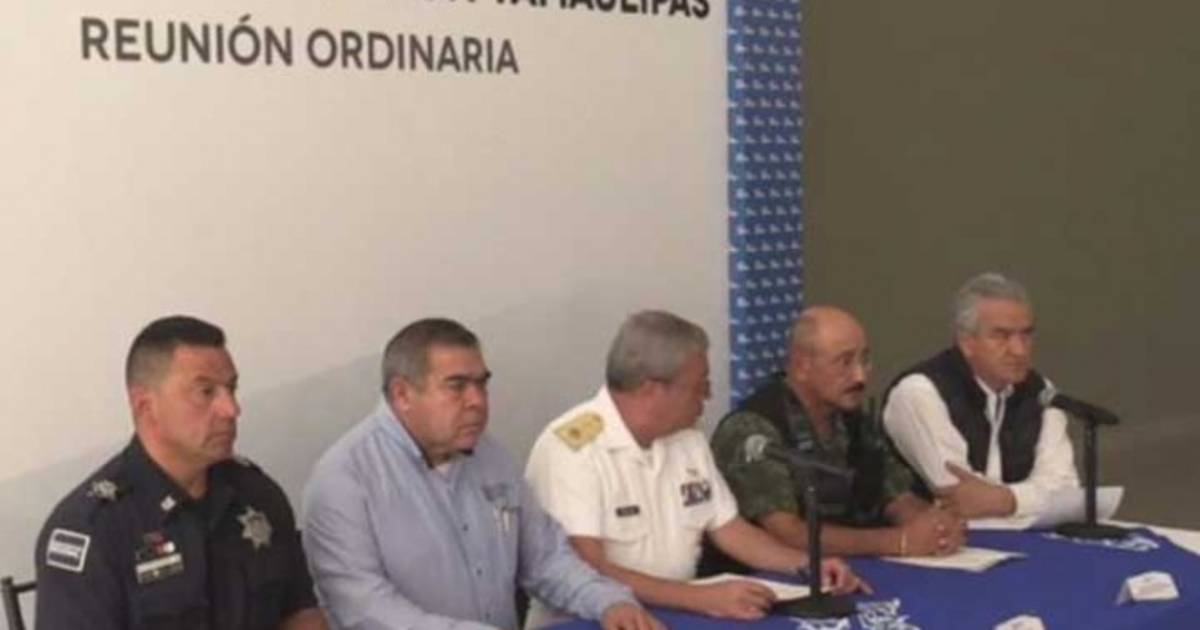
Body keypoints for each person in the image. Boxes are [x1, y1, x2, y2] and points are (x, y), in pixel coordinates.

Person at [302, 318, 658, 630]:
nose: (477, 401)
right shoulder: (344, 480)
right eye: (457, 386)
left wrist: (609, 601)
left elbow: (546, 559)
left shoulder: (490, 456)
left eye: (481, 384)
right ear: (402, 394)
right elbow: (365, 611)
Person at [524, 311, 866, 627]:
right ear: (652, 390)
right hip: (591, 622)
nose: (708, 396)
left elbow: (730, 529)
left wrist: (805, 564)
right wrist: (697, 597)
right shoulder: (571, 450)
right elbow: (587, 567)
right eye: (700, 385)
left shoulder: (688, 439)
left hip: (679, 613)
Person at [35, 315, 326, 630]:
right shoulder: (93, 528)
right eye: (206, 392)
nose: (231, 409)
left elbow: (300, 613)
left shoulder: (256, 493)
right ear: (146, 406)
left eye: (231, 388)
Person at [709, 306, 965, 560]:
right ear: (802, 367)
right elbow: (788, 534)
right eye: (845, 362)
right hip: (774, 574)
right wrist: (897, 541)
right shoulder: (753, 430)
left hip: (851, 565)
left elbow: (896, 495)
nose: (860, 376)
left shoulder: (852, 419)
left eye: (865, 360)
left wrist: (933, 525)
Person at [882, 272, 1080, 519]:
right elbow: (957, 493)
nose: (1019, 350)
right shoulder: (920, 392)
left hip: (1021, 536)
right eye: (1001, 336)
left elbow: (1066, 490)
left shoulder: (1040, 391)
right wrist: (1028, 497)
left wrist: (1006, 500)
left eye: (1026, 334)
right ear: (966, 342)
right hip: (932, 539)